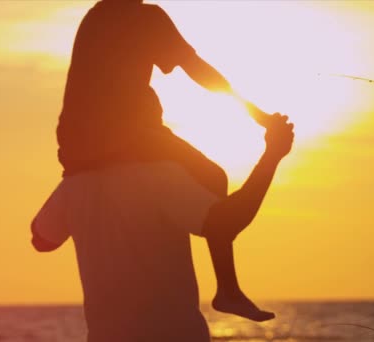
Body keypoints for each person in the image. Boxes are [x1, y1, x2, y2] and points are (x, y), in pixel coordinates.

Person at [54, 0, 279, 322]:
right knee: (213, 176)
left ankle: (222, 290)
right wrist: (255, 113)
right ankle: (228, 290)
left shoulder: (95, 16)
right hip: (124, 135)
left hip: (75, 144)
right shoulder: (146, 16)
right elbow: (195, 67)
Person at [32, 114, 294, 341]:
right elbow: (227, 224)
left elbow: (42, 241)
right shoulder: (160, 177)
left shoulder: (75, 185)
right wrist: (271, 156)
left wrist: (71, 175)